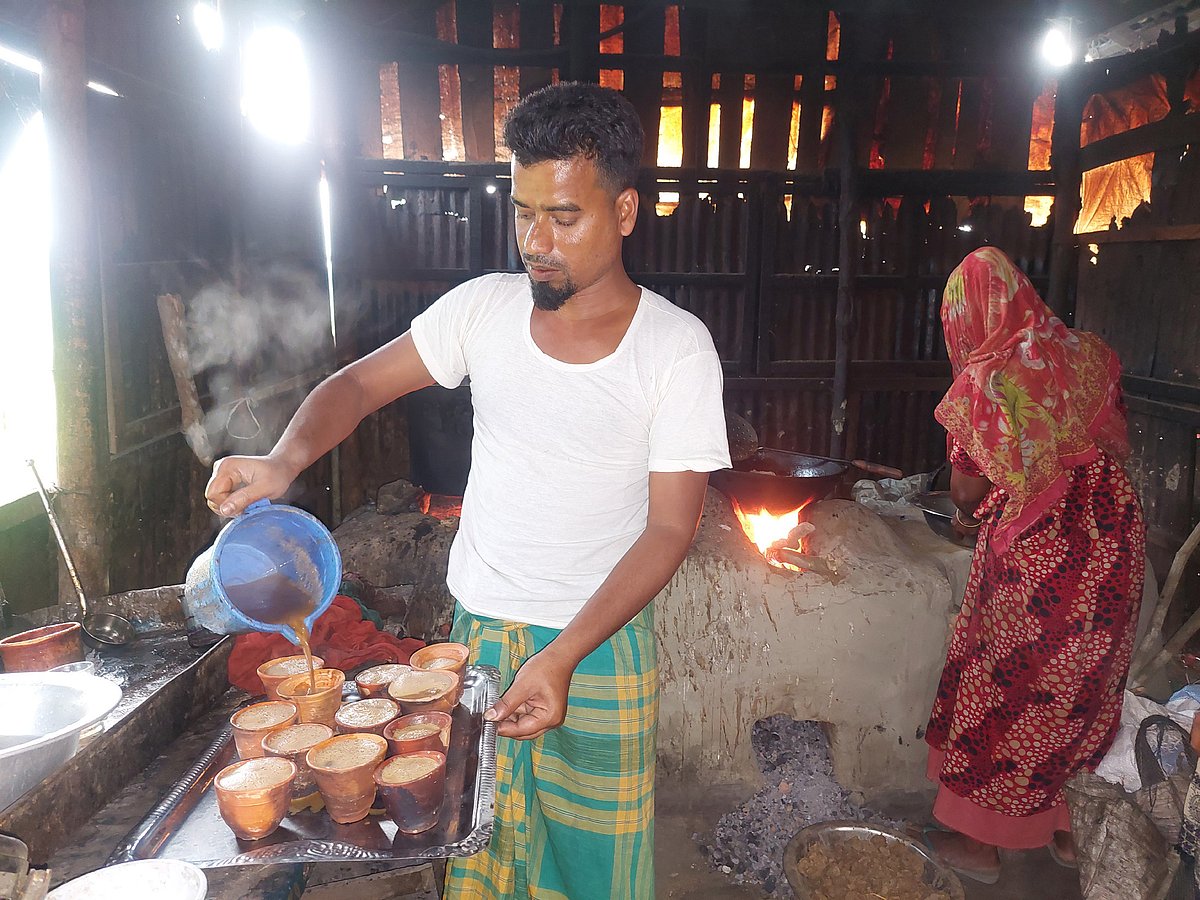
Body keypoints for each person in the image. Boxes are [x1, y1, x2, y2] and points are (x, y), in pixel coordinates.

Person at [204, 83, 730, 899]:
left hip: (600, 648)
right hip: (479, 642)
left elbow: (669, 530)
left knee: (601, 870)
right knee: (484, 857)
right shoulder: (482, 311)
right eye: (522, 213)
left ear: (625, 211)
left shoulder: (675, 349)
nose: (535, 241)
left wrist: (561, 657)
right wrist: (283, 458)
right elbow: (354, 387)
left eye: (563, 216)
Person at [922, 247, 1145, 884]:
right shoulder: (1088, 355)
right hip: (1110, 541)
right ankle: (1072, 833)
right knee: (1086, 688)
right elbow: (1107, 442)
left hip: (1037, 565)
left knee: (1007, 694)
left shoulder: (985, 383)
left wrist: (994, 495)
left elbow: (965, 492)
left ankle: (982, 846)